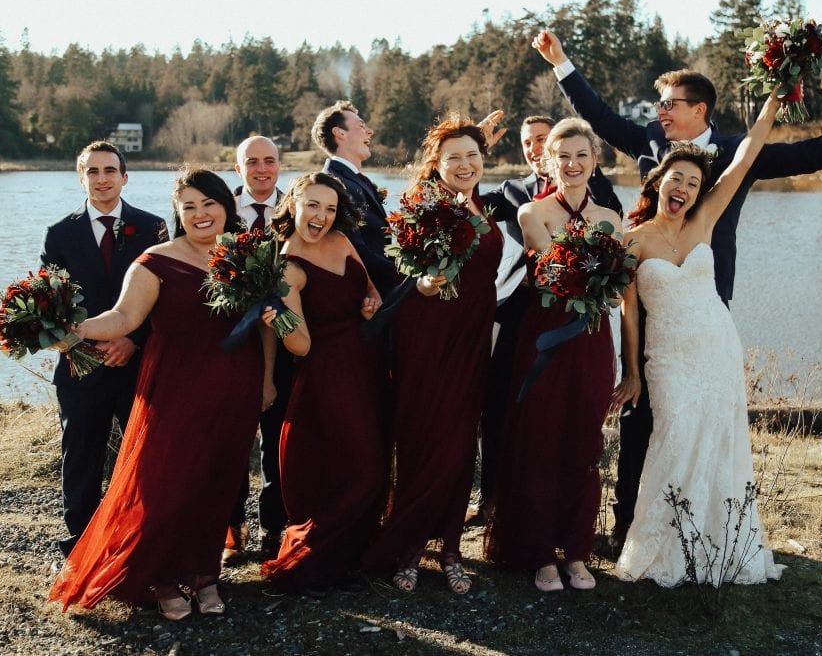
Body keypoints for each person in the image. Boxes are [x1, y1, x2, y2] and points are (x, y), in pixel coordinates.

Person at [533, 29, 822, 551]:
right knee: (639, 411)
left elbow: (813, 153)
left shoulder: (741, 151)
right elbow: (600, 117)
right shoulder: (650, 140)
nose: (660, 112)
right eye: (659, 104)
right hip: (646, 291)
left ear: (701, 109)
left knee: (698, 414)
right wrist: (561, 63)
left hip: (701, 300)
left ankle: (699, 528)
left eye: (670, 105)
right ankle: (629, 527)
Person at [48, 167, 287, 620]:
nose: (200, 214)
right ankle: (158, 576)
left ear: (225, 207)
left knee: (217, 481)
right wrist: (68, 329)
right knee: (165, 482)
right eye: (189, 207)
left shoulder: (250, 256)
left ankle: (204, 574)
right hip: (174, 387)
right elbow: (122, 319)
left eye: (208, 204)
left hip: (235, 385)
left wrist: (267, 379)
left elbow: (267, 328)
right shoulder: (154, 260)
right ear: (178, 213)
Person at [612, 93, 785, 586]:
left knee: (719, 440)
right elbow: (628, 315)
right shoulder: (633, 241)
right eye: (676, 179)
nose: (684, 188)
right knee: (674, 438)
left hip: (717, 345)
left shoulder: (704, 222)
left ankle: (714, 546)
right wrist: (632, 372)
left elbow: (745, 156)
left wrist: (773, 98)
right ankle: (659, 547)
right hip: (666, 356)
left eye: (693, 182)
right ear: (658, 181)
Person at [362, 117, 504, 595]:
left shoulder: (488, 205)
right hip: (426, 335)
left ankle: (449, 548)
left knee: (461, 443)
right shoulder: (419, 206)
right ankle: (406, 547)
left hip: (472, 338)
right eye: (454, 158)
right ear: (436, 165)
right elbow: (401, 270)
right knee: (422, 438)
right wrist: (420, 284)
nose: (465, 165)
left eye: (472, 156)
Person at [484, 118, 625, 592]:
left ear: (594, 160)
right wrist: (598, 276)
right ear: (548, 160)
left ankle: (577, 551)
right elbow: (553, 279)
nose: (572, 163)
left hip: (590, 338)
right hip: (546, 339)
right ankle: (541, 553)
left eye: (581, 155)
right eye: (562, 155)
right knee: (541, 441)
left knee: (583, 443)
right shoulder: (532, 214)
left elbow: (614, 289)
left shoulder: (611, 219)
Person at [259, 172, 386, 593]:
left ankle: (348, 557)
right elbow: (300, 345)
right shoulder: (287, 267)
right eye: (313, 205)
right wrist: (283, 321)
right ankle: (312, 557)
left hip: (366, 362)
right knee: (362, 468)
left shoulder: (343, 241)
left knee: (362, 464)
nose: (321, 216)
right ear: (293, 202)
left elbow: (369, 287)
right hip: (327, 372)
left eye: (330, 208)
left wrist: (371, 301)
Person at [40, 140, 167, 558]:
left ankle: (139, 542)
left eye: (109, 170)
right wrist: (84, 346)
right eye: (92, 171)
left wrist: (133, 339)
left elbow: (166, 301)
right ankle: (79, 546)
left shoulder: (153, 228)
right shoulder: (60, 235)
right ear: (81, 178)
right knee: (81, 455)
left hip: (137, 364)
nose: (101, 179)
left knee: (143, 456)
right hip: (81, 365)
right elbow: (50, 304)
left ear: (125, 177)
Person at [224, 135, 290, 565]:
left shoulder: (297, 209)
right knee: (229, 441)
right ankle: (232, 530)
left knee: (276, 439)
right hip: (229, 345)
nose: (261, 169)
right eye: (252, 162)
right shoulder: (217, 211)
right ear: (238, 168)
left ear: (280, 165)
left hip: (286, 342)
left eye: (269, 161)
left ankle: (274, 528)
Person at [312, 101, 399, 297]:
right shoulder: (335, 183)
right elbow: (355, 250)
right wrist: (403, 274)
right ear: (340, 133)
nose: (370, 132)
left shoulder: (352, 180)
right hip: (364, 297)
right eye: (361, 126)